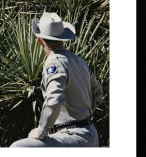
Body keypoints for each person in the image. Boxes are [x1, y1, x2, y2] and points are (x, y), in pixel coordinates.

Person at [10, 12, 103, 147]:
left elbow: (54, 100)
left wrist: (40, 132)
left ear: (39, 40)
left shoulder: (54, 62)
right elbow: (98, 93)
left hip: (72, 136)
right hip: (90, 134)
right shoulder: (78, 60)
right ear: (62, 38)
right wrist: (82, 117)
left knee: (18, 148)